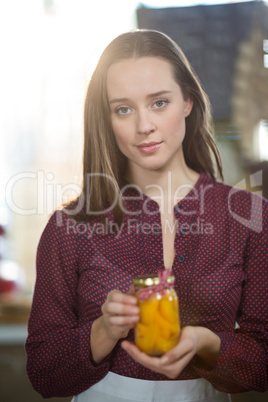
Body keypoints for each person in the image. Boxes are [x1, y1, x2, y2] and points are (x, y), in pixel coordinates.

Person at [25, 30, 268, 402]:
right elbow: (44, 374)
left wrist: (208, 345)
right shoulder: (69, 226)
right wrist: (104, 330)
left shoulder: (250, 218)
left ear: (188, 100)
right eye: (123, 109)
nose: (143, 126)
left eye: (159, 103)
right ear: (106, 119)